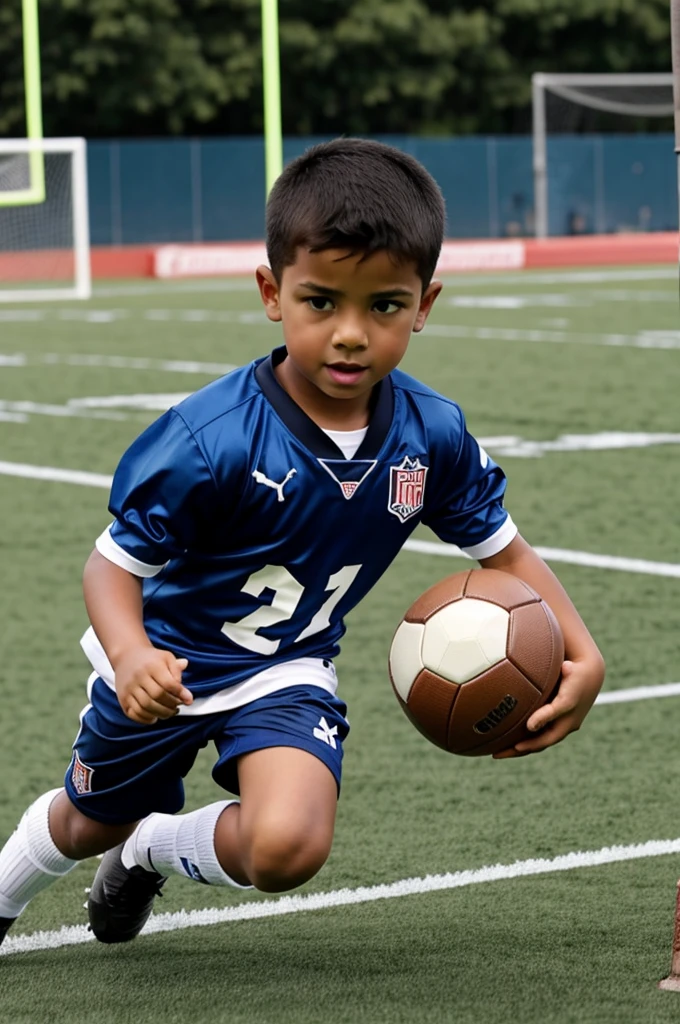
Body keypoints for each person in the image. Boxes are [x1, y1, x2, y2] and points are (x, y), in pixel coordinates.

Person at [0, 139, 605, 948]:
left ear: (424, 304)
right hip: (167, 663)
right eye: (322, 302)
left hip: (286, 665)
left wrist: (582, 652)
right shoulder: (207, 440)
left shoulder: (432, 435)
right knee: (85, 825)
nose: (351, 334)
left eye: (383, 306)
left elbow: (508, 554)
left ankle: (151, 850)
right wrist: (132, 652)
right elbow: (112, 566)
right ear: (271, 293)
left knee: (288, 846)